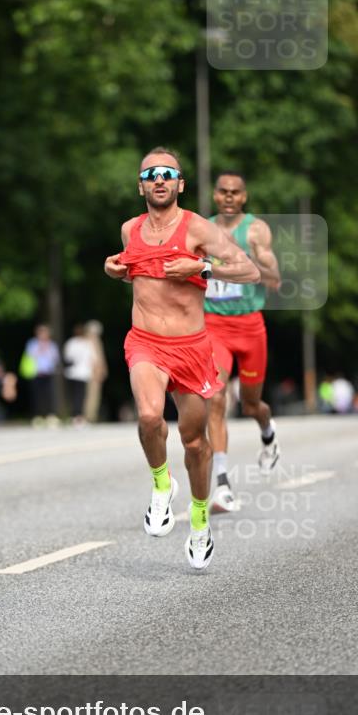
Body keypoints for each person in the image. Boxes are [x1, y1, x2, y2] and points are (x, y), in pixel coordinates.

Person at [105, 147, 261, 571]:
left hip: (192, 350)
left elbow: (249, 271)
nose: (159, 180)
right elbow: (133, 273)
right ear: (141, 185)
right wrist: (114, 269)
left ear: (180, 184)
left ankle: (199, 518)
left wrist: (202, 267)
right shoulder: (129, 230)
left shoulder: (197, 228)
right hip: (146, 344)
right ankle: (161, 485)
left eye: (167, 174)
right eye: (151, 174)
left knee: (195, 443)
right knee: (150, 418)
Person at [203, 172, 281, 513]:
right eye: (223, 191)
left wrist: (249, 262)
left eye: (236, 192)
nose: (229, 196)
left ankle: (267, 430)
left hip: (250, 327)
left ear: (244, 196)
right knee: (215, 399)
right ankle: (222, 485)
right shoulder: (200, 229)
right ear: (215, 195)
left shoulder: (255, 230)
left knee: (251, 405)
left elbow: (276, 281)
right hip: (213, 326)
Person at [22, 324, 61, 426]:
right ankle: (37, 416)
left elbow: (55, 358)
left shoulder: (52, 345)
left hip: (48, 373)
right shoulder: (32, 343)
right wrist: (40, 348)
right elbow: (30, 355)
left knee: (49, 396)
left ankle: (50, 416)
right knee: (36, 396)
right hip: (36, 373)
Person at [63, 324, 96, 425]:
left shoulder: (70, 343)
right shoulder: (87, 344)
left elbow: (67, 357)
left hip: (72, 373)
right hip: (82, 373)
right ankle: (79, 415)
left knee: (74, 395)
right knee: (80, 395)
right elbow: (93, 358)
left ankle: (74, 415)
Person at [83, 320, 108, 423]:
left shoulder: (94, 341)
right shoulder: (89, 342)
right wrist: (98, 370)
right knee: (91, 394)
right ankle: (88, 416)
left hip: (93, 371)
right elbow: (94, 358)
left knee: (93, 394)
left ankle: (91, 415)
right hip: (91, 371)